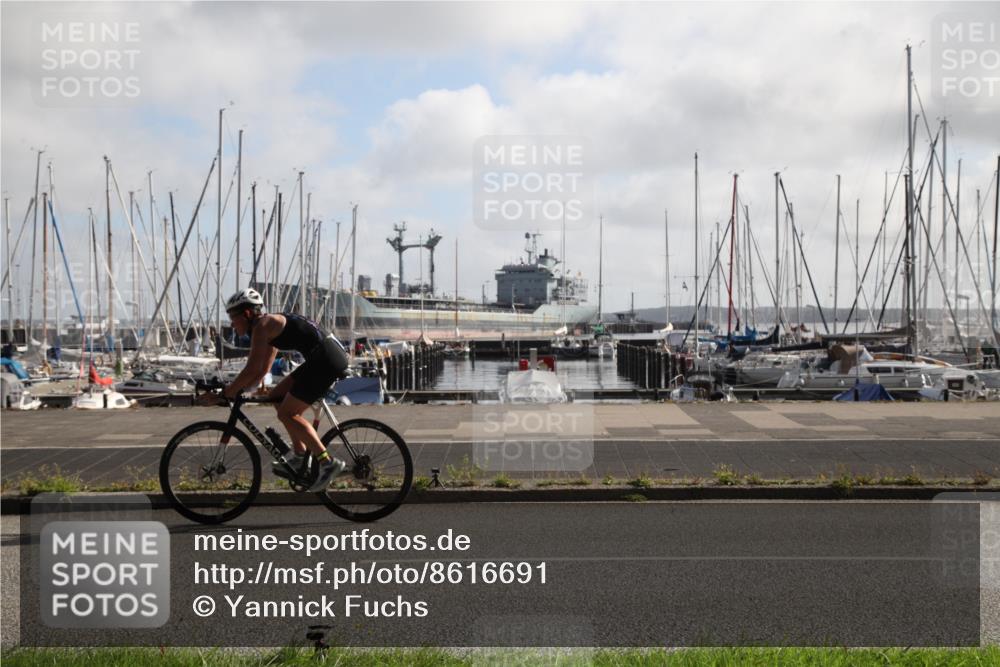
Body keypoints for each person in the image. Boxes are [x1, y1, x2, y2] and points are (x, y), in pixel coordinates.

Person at [212, 288, 349, 492]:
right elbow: (262, 370)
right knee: (275, 396)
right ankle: (300, 455)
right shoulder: (268, 326)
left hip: (326, 361)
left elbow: (251, 368)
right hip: (322, 357)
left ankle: (327, 462)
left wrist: (227, 392)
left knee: (288, 413)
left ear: (247, 314)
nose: (231, 323)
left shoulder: (263, 326)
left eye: (233, 317)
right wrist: (243, 391)